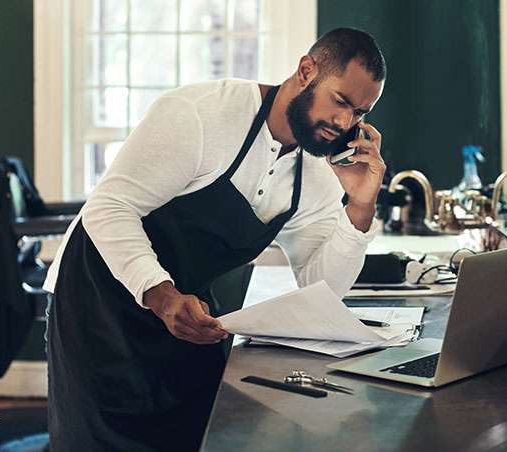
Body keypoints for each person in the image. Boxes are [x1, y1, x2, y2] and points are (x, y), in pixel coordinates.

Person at [43, 27, 386, 451]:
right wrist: (163, 297)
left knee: (202, 436)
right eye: (340, 101)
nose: (343, 123)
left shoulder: (315, 176)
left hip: (188, 311)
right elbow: (109, 208)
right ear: (305, 71)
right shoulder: (200, 115)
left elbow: (323, 287)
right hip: (98, 300)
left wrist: (359, 206)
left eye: (359, 113)